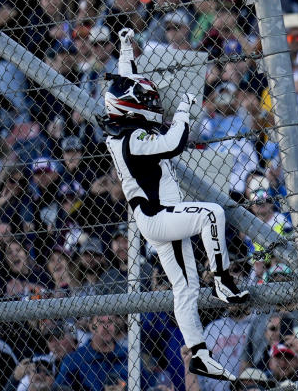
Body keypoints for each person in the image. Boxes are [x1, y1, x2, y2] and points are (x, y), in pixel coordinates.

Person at [101, 28, 248, 382]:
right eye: (148, 103)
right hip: (158, 216)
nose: (154, 107)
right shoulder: (131, 139)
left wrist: (125, 50)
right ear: (132, 108)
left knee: (184, 288)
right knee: (211, 214)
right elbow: (174, 142)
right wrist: (184, 107)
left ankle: (197, 353)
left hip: (157, 217)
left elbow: (125, 81)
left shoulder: (123, 132)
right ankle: (224, 280)